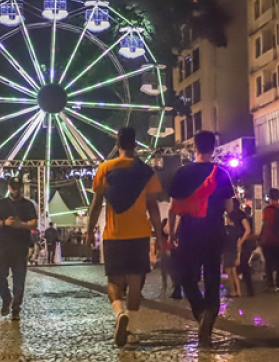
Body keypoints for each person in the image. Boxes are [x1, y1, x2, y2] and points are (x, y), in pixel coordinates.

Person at [86, 127, 164, 347]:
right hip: (139, 234)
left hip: (114, 234)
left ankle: (120, 314)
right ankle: (131, 327)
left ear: (117, 145)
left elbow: (96, 205)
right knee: (136, 282)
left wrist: (90, 231)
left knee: (114, 281)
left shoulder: (105, 168)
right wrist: (159, 236)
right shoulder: (146, 171)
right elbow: (153, 207)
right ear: (135, 144)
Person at [168, 130, 235, 347]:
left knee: (186, 276)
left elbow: (172, 208)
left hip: (189, 229)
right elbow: (229, 207)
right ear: (213, 149)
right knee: (213, 277)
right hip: (214, 229)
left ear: (194, 148)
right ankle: (210, 317)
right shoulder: (221, 173)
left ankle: (200, 310)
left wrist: (172, 233)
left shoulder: (182, 173)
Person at [0, 176, 38, 321]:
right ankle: (6, 298)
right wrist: (4, 223)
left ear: (21, 188)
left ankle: (16, 308)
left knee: (19, 280)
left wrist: (21, 225)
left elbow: (34, 224)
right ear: (9, 188)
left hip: (21, 246)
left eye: (18, 187)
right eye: (14, 187)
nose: (16, 190)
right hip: (4, 245)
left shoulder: (28, 205)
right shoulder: (1, 204)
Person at [232, 201, 255, 297]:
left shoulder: (239, 215)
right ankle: (243, 290)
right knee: (241, 266)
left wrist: (241, 240)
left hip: (240, 243)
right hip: (240, 243)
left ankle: (241, 290)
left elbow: (247, 229)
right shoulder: (240, 214)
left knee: (241, 266)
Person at [222, 212, 241, 298]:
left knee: (229, 274)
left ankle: (233, 291)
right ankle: (239, 291)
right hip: (234, 252)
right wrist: (238, 257)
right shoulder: (237, 230)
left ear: (229, 219)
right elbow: (238, 244)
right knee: (235, 273)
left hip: (226, 252)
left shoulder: (225, 229)